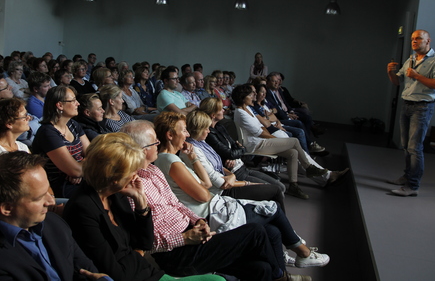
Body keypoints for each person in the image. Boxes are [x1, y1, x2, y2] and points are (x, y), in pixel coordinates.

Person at [121, 120, 312, 281]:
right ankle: (284, 278)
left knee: (267, 250)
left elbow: (177, 204)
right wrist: (185, 238)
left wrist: (198, 221)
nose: (157, 143)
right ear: (140, 150)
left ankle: (279, 274)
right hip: (178, 253)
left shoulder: (153, 171)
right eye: (153, 142)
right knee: (256, 231)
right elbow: (146, 243)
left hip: (194, 232)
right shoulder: (131, 188)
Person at [64, 133, 225, 281]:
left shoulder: (117, 194)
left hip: (148, 272)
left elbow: (145, 244)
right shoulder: (82, 209)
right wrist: (136, 255)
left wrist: (141, 203)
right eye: (133, 171)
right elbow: (115, 272)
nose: (136, 175)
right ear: (113, 177)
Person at [0, 151, 110, 280]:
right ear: (7, 208)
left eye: (48, 192)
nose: (51, 201)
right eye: (39, 197)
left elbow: (88, 271)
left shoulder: (55, 224)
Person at [233, 84, 347, 199]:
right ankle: (309, 167)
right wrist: (277, 140)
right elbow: (260, 132)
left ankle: (293, 186)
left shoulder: (247, 109)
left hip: (261, 141)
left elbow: (262, 127)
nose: (254, 95)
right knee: (294, 141)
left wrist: (275, 138)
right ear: (243, 97)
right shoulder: (240, 113)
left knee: (293, 153)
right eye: (251, 94)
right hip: (256, 145)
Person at [387, 29, 435, 196]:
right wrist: (390, 72)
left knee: (415, 147)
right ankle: (407, 176)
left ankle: (413, 186)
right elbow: (397, 82)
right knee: (407, 147)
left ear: (428, 41)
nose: (414, 41)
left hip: (422, 107)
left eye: (419, 39)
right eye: (413, 39)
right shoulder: (411, 59)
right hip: (406, 105)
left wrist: (417, 75)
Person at [183, 110, 286, 210]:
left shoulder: (202, 141)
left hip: (234, 176)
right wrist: (247, 183)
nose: (209, 131)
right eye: (206, 128)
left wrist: (231, 175)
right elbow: (220, 182)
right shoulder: (194, 149)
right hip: (222, 192)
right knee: (276, 190)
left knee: (278, 189)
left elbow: (220, 164)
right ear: (199, 129)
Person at [199, 97, 287, 193]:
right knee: (277, 190)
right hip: (235, 173)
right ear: (213, 114)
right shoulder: (209, 134)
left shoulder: (220, 126)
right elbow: (230, 153)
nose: (224, 110)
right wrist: (237, 151)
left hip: (242, 167)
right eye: (221, 109)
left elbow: (235, 147)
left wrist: (238, 150)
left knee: (281, 186)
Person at [32, 85, 89, 198]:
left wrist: (79, 168)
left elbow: (93, 153)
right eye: (73, 100)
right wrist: (76, 170)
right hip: (61, 185)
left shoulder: (72, 124)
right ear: (60, 105)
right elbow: (75, 170)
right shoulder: (48, 133)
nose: (77, 103)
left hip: (82, 178)